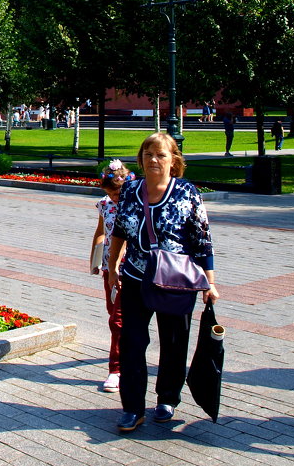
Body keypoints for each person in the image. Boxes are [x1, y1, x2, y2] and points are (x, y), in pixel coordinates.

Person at [106, 132, 218, 433]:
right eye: (148, 154)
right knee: (132, 342)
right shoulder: (130, 189)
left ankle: (167, 398)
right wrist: (113, 265)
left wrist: (210, 282)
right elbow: (119, 229)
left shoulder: (186, 192)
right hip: (135, 278)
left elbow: (202, 239)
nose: (153, 160)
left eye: (160, 155)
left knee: (173, 341)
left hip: (174, 281)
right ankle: (132, 407)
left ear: (173, 161)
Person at [89, 159, 134, 393]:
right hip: (109, 268)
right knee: (113, 313)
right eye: (110, 193)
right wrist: (95, 260)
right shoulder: (104, 204)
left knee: (117, 319)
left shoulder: (135, 204)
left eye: (117, 194)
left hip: (130, 268)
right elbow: (100, 232)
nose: (114, 198)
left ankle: (116, 370)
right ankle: (127, 350)